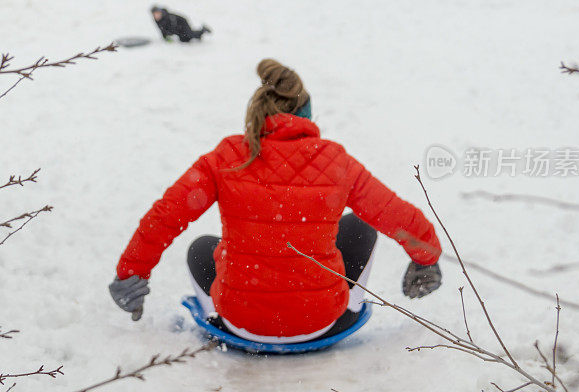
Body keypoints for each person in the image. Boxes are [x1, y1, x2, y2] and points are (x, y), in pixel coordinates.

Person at [109, 59, 443, 343]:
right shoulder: (336, 161)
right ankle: (340, 304)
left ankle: (221, 312)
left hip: (239, 325)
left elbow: (165, 216)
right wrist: (426, 260)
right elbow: (394, 214)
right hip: (323, 324)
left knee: (201, 248)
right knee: (361, 226)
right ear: (307, 116)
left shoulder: (227, 157)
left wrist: (130, 274)